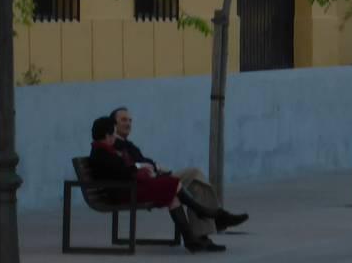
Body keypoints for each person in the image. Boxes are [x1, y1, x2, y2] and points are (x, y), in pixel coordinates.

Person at [86, 116, 224, 253]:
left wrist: (140, 168)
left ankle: (190, 239)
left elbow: (122, 170)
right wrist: (139, 169)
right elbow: (121, 172)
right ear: (106, 135)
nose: (114, 138)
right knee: (171, 183)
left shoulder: (104, 150)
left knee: (172, 196)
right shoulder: (101, 153)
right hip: (123, 192)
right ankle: (200, 211)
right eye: (112, 134)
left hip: (127, 188)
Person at [111, 106, 247, 240]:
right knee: (194, 174)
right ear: (114, 124)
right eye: (124, 120)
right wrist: (152, 167)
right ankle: (219, 217)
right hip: (148, 184)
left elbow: (142, 161)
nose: (128, 124)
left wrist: (154, 166)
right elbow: (130, 167)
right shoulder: (116, 144)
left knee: (197, 184)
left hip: (155, 179)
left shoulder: (126, 143)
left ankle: (205, 232)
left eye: (130, 120)